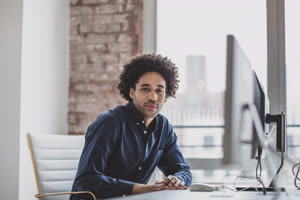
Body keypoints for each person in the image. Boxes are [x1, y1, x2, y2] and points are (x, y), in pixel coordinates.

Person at [70, 54, 192, 199]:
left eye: (159, 90)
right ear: (132, 92)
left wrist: (177, 179)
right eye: (145, 89)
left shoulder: (163, 127)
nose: (153, 97)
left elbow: (183, 169)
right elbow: (86, 181)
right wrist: (141, 188)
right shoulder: (110, 123)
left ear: (166, 95)